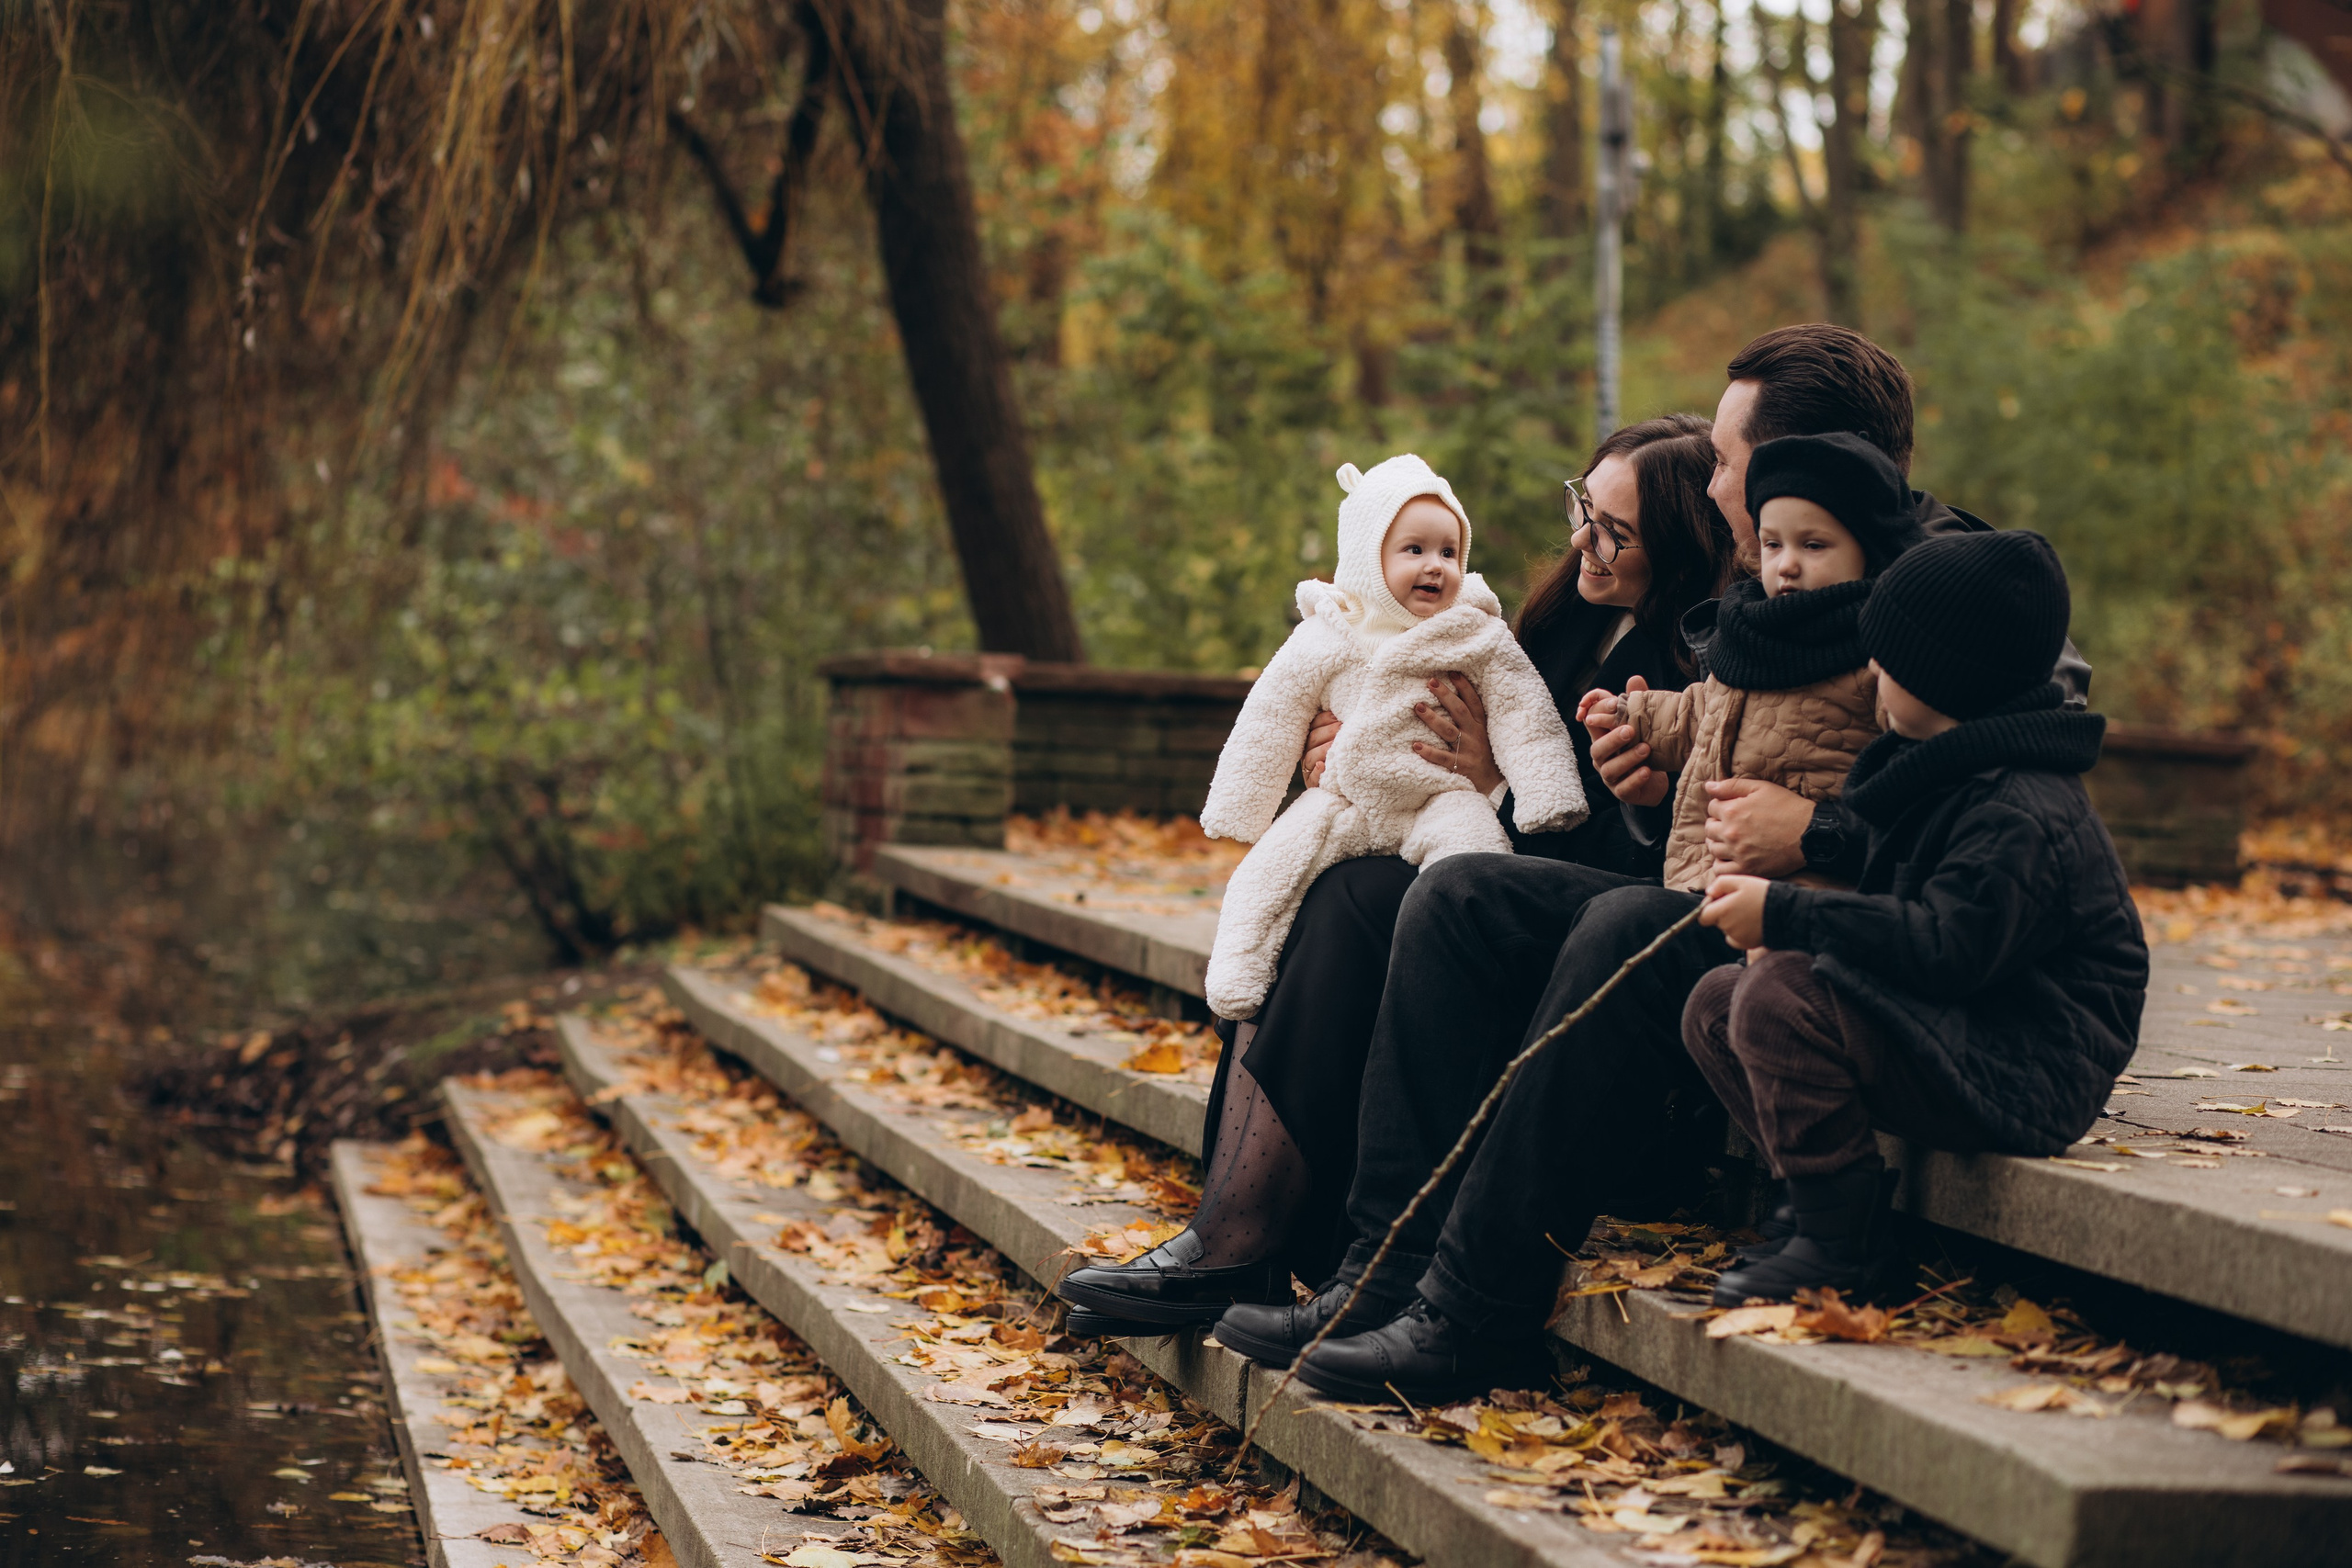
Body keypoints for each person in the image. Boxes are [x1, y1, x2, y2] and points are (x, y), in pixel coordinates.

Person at [1223, 324, 2101, 1404]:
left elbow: (2015, 808)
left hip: (1835, 950)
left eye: (1725, 461)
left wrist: (1819, 834)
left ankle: (1476, 1313)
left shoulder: (1949, 595)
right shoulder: (1772, 578)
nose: (1712, 482)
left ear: (1799, 461)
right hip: (1720, 898)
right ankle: (1378, 1275)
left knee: (1624, 926)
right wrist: (1650, 769)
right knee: (1460, 893)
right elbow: (1724, 738)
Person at [1052, 418, 1735, 1335]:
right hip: (1465, 890)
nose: (1584, 540)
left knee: (1355, 898)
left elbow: (1631, 861)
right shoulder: (1559, 621)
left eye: (1615, 532)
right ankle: (1234, 1230)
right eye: (1584, 508)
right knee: (1327, 887)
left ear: (1682, 548)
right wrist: (1338, 752)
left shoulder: (1698, 664)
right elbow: (1413, 710)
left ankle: (1243, 1241)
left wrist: (1493, 782)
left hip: (1560, 959)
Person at [1687, 530, 2146, 1305]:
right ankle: (1816, 1204)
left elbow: (1944, 946)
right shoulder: (1941, 769)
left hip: (2028, 1063)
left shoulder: (2020, 810)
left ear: (1945, 675)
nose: (1872, 669)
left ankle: (1843, 1247)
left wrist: (1790, 916)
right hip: (1965, 1026)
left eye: (1889, 656)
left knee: (1778, 998)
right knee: (1716, 1002)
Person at [1197, 455, 1585, 1023]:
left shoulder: (1474, 633)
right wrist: (1241, 806)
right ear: (1366, 557)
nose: (1435, 566)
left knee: (1472, 866)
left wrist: (1547, 794)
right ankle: (1238, 966)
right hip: (1342, 799)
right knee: (1270, 870)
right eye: (1414, 549)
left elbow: (1524, 714)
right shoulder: (1327, 632)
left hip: (1441, 796)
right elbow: (1269, 720)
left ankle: (1466, 990)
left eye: (1448, 552)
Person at [1581, 433, 1917, 896]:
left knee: (1619, 916)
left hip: (1804, 893)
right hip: (1704, 878)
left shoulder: (1884, 650)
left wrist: (1821, 829)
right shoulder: (1751, 631)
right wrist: (1629, 717)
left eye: (1813, 545)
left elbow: (1920, 791)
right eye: (1773, 545)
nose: (1788, 565)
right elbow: (1700, 712)